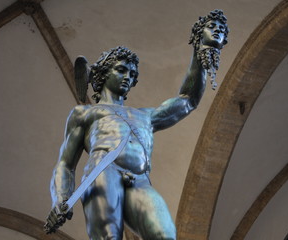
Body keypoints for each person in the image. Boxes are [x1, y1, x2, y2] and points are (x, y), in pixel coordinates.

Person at [45, 10, 229, 240]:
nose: (128, 77)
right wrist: (60, 199)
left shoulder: (146, 116)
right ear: (102, 74)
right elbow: (65, 164)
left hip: (140, 180)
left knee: (165, 235)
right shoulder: (85, 113)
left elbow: (187, 100)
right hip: (102, 173)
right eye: (121, 70)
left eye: (132, 74)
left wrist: (200, 49)